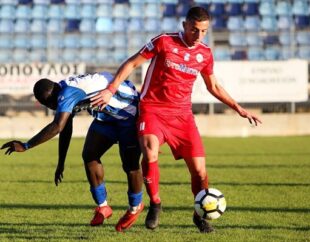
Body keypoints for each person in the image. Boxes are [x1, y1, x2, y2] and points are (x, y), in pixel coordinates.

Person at [90, 7, 262, 233]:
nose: (198, 35)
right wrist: (111, 90)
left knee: (200, 171)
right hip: (153, 109)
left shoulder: (205, 53)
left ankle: (199, 215)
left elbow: (213, 86)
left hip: (182, 116)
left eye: (204, 31)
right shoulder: (163, 41)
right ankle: (155, 203)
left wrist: (238, 108)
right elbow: (132, 63)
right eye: (194, 29)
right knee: (150, 151)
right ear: (184, 25)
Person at [1, 72, 144, 232]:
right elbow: (65, 128)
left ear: (48, 100)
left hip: (128, 114)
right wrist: (61, 163)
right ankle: (103, 207)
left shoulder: (67, 93)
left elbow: (57, 126)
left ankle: (135, 206)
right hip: (106, 117)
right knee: (90, 155)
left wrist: (26, 145)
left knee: (130, 165)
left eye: (49, 104)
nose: (51, 107)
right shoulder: (63, 90)